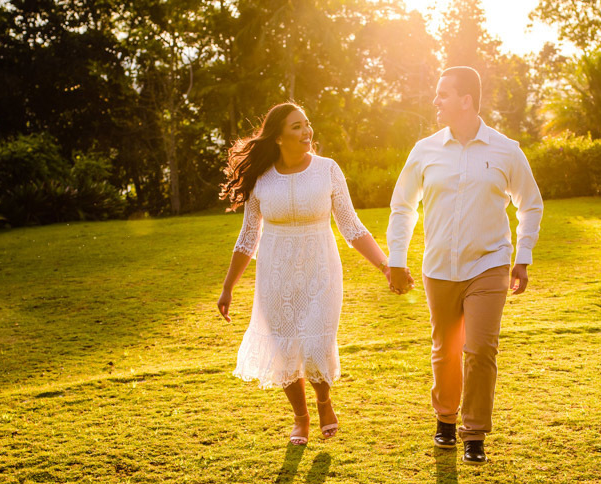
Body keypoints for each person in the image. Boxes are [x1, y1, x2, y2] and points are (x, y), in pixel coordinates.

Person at [386, 66, 544, 464]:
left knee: (481, 349)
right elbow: (402, 206)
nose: (435, 101)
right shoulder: (424, 150)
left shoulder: (506, 149)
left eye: (443, 94)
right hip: (438, 266)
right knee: (446, 348)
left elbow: (531, 204)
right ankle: (445, 421)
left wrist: (522, 257)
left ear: (466, 100)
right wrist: (397, 259)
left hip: (489, 266)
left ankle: (474, 433)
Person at [218, 102, 394, 445]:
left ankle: (325, 402)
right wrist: (228, 288)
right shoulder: (262, 179)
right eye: (297, 126)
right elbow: (248, 236)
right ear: (279, 136)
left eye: (307, 124)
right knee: (285, 351)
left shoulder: (327, 170)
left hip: (321, 269)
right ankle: (301, 418)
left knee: (316, 345)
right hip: (276, 273)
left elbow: (351, 226)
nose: (306, 132)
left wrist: (385, 266)